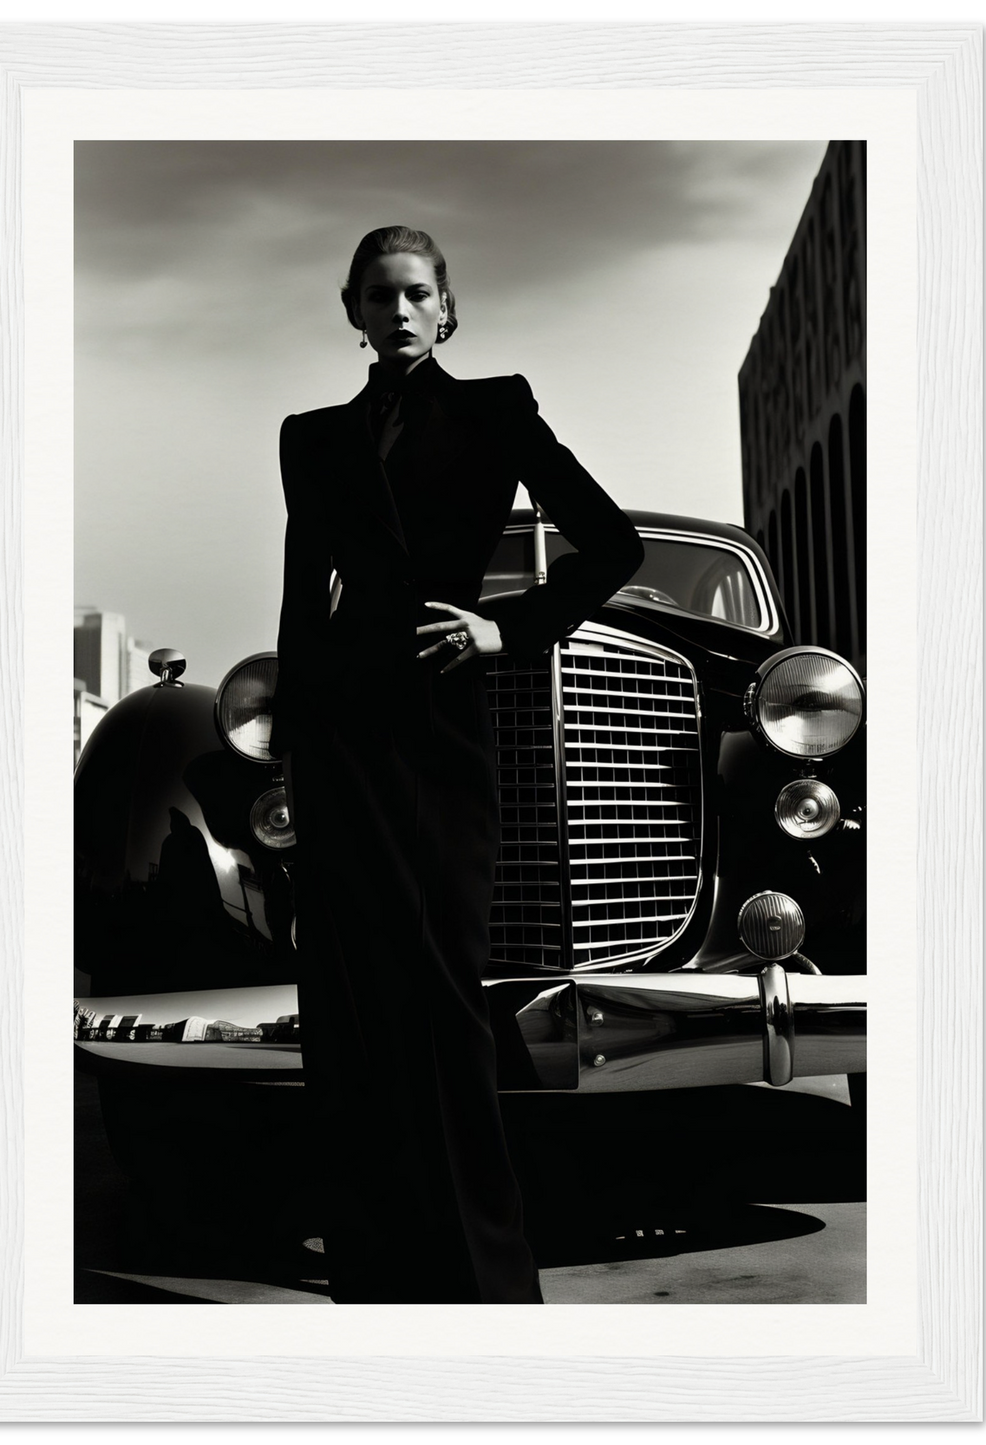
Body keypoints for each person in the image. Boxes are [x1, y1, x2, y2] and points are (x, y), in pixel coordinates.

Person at [268, 225, 644, 1303]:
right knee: (351, 1013)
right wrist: (292, 758)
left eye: (416, 294)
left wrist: (506, 630)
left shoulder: (495, 410)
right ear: (351, 310)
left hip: (439, 737)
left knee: (441, 1004)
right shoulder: (308, 437)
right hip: (341, 743)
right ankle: (374, 1273)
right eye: (377, 295)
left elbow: (607, 543)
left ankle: (483, 1278)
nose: (396, 311)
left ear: (446, 311)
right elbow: (301, 601)